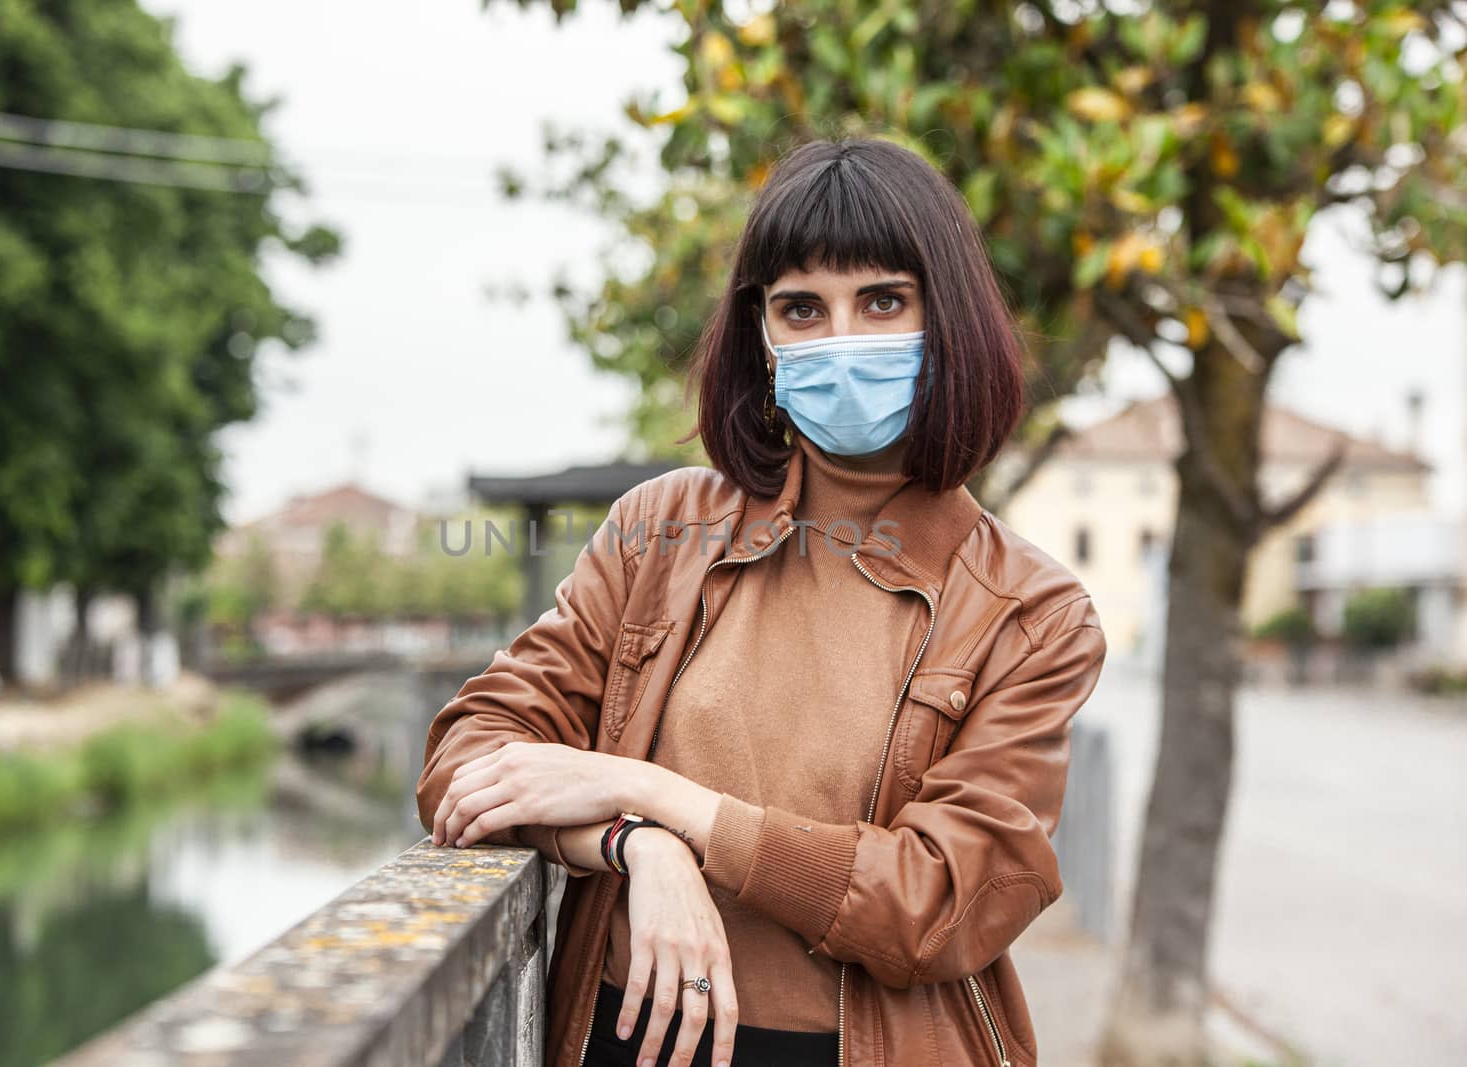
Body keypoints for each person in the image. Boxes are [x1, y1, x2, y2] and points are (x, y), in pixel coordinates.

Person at [416, 136, 1107, 1067]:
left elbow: (938, 902)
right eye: (801, 308)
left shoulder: (1031, 613)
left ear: (951, 317)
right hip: (621, 1038)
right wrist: (634, 841)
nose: (842, 339)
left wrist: (664, 795)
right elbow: (472, 757)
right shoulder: (658, 532)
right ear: (764, 337)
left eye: (883, 300)